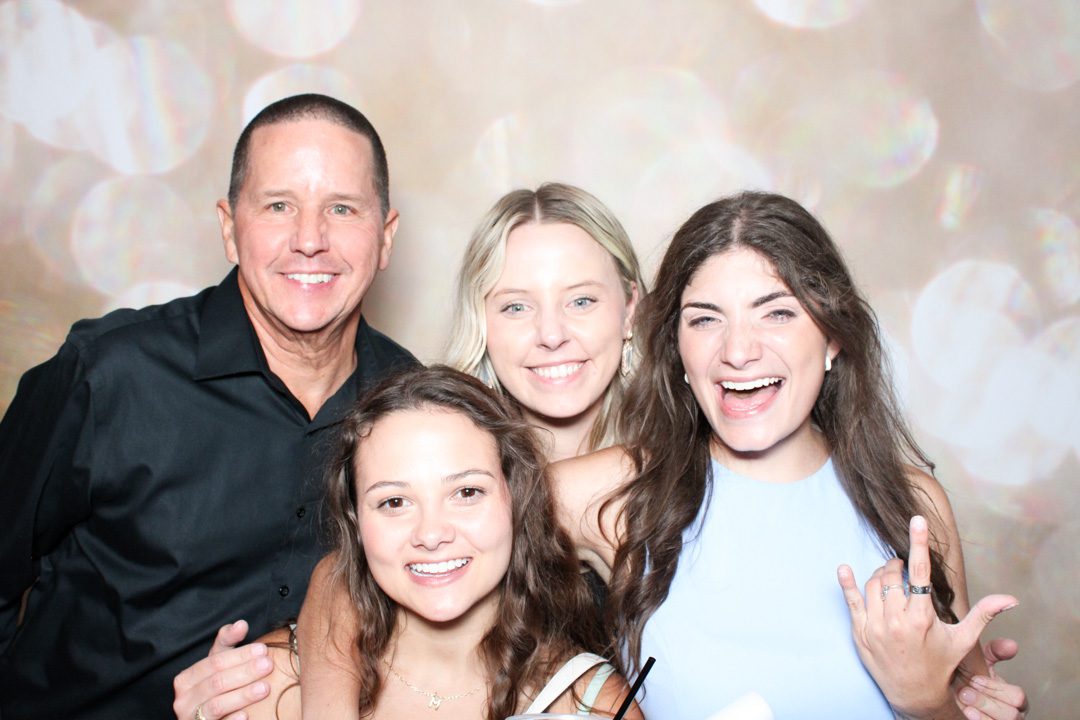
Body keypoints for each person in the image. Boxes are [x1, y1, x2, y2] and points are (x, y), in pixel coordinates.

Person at [0, 93, 414, 719]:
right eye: (278, 206)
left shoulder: (412, 404)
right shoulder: (112, 374)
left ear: (385, 237)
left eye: (342, 208)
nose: (310, 240)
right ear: (229, 228)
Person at [174, 182, 644, 718]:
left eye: (581, 300)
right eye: (515, 306)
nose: (551, 334)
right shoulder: (428, 427)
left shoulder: (677, 469)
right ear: (480, 320)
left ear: (629, 308)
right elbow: (345, 573)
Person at [555, 190, 1026, 719]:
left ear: (832, 337)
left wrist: (929, 702)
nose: (738, 352)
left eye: (777, 313)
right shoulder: (614, 494)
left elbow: (971, 706)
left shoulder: (914, 503)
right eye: (705, 320)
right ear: (677, 348)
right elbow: (472, 578)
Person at [226, 365, 642, 719]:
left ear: (516, 498)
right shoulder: (270, 682)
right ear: (355, 521)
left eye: (466, 492)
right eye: (394, 502)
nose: (430, 534)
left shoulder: (593, 704)